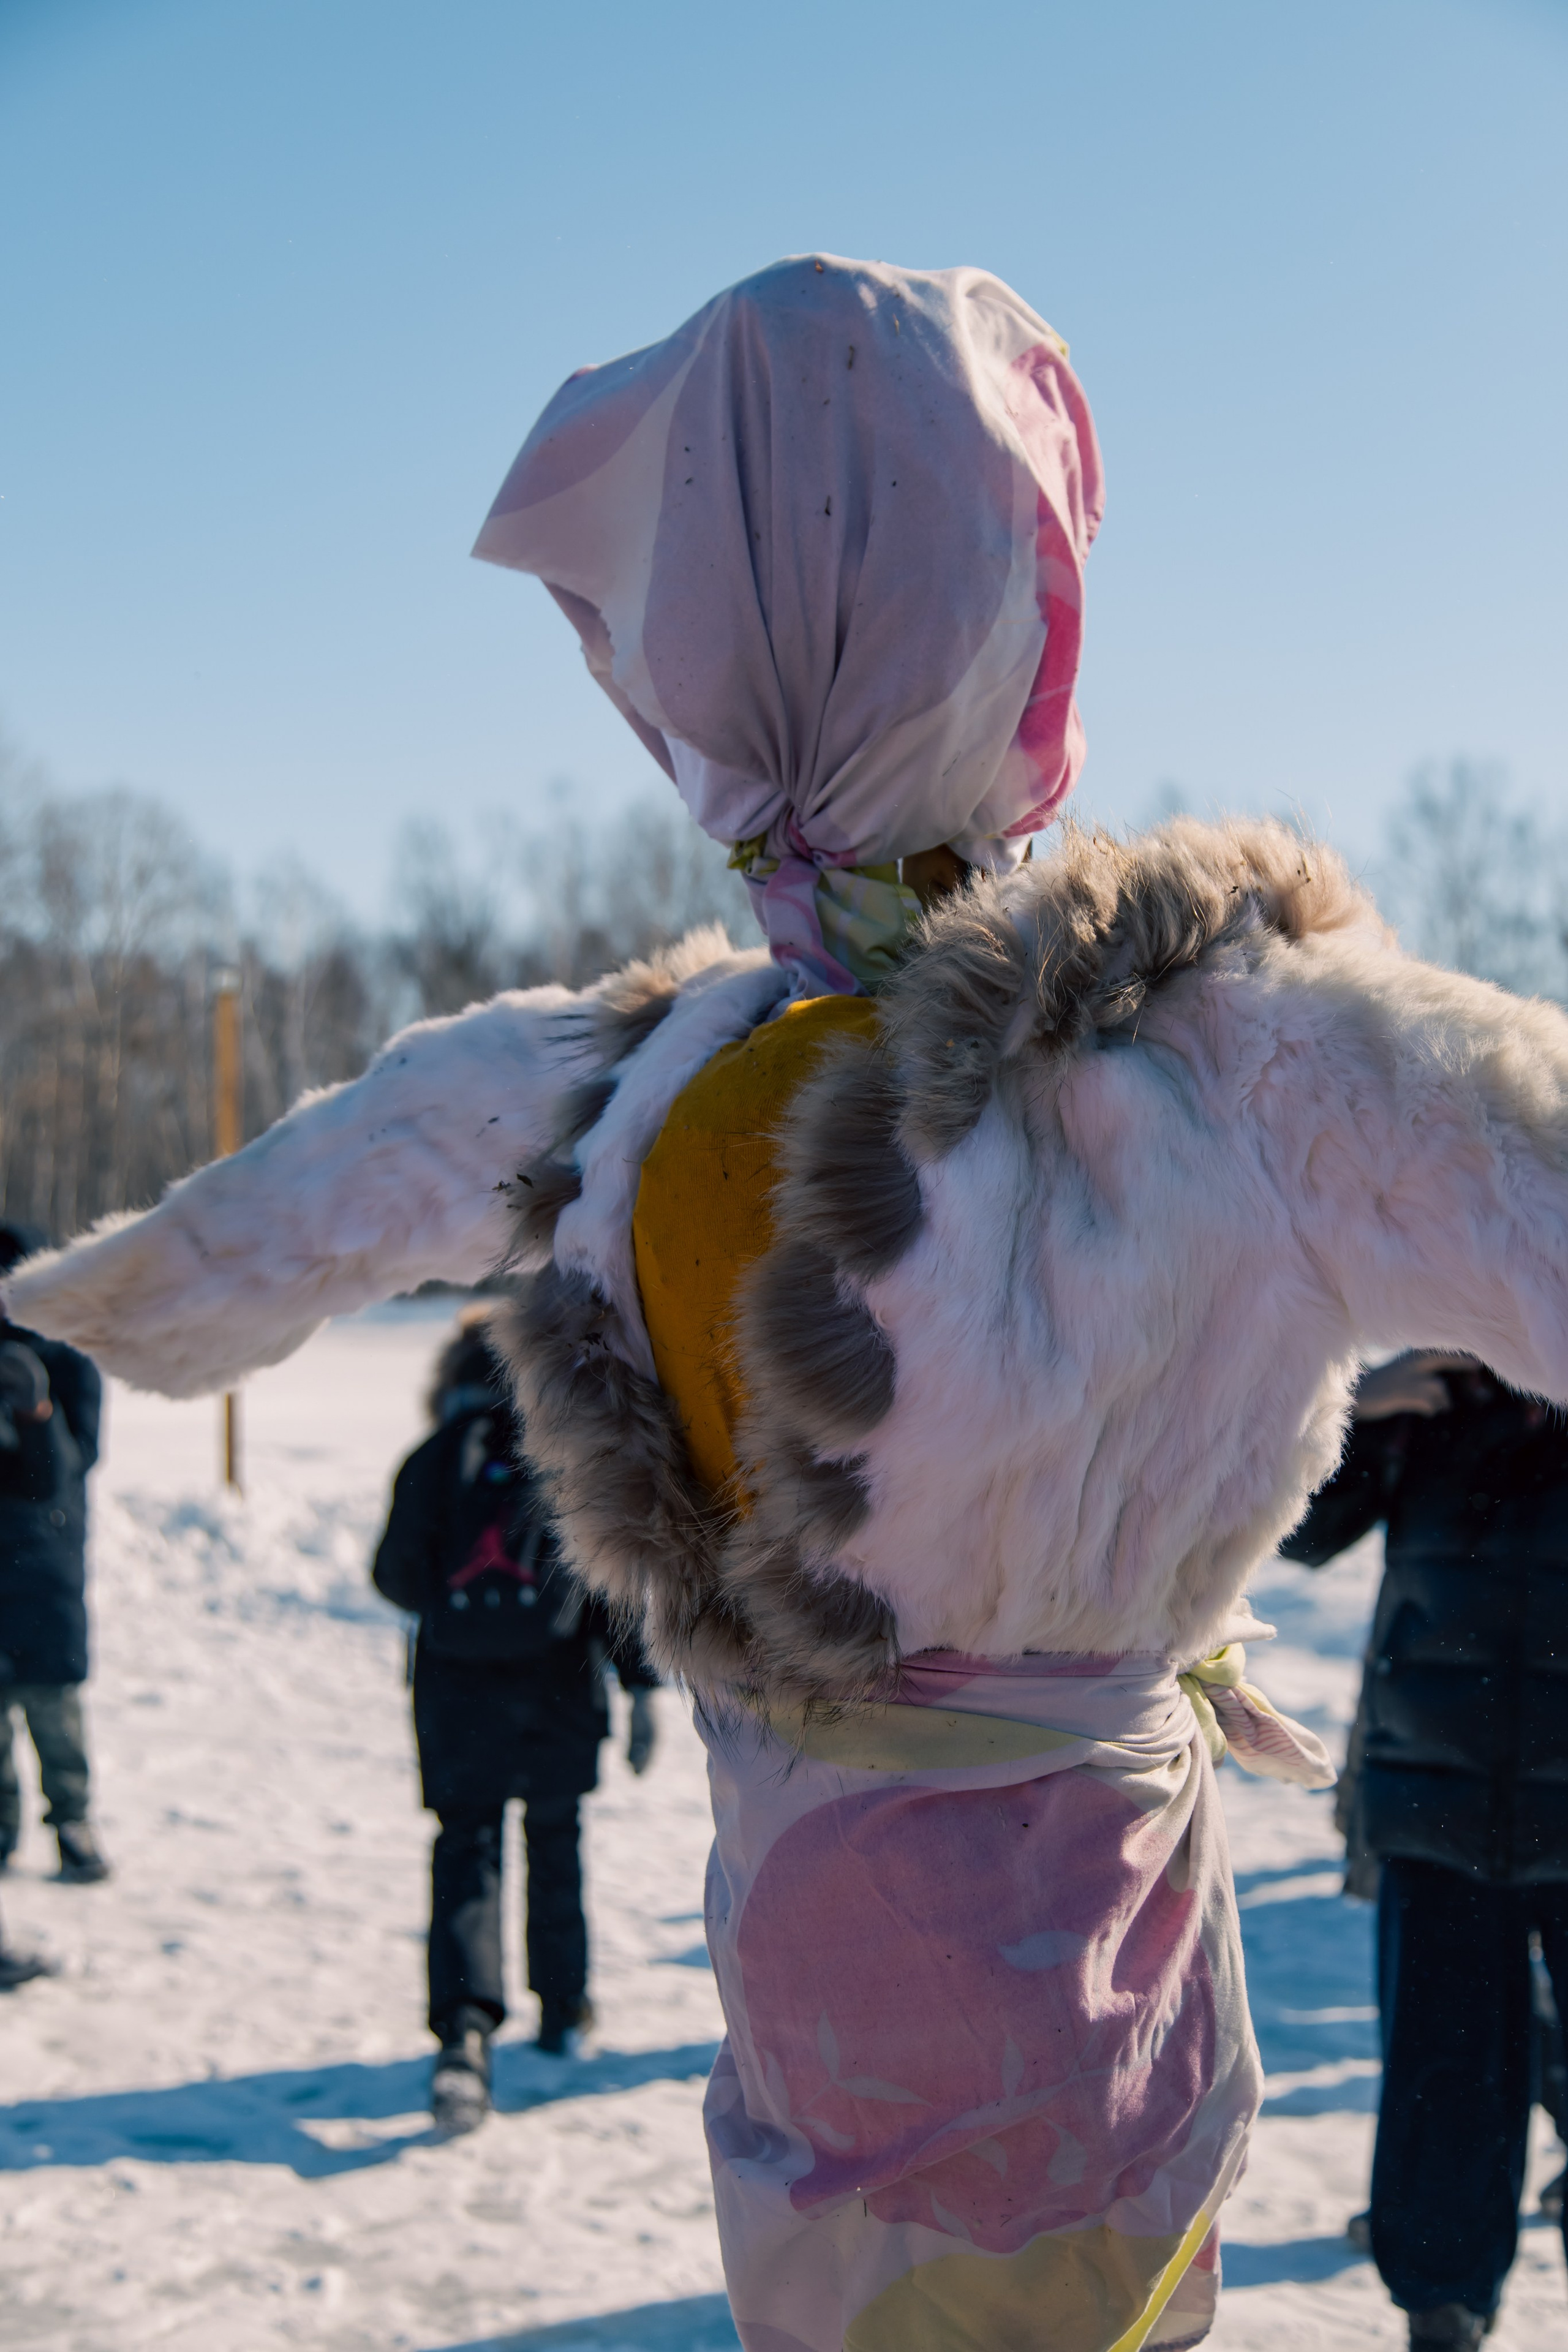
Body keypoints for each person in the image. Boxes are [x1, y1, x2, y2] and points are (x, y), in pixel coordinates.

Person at [1282, 1349, 1568, 2351]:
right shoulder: (1441, 1386)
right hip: (1437, 1809)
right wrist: (1347, 1407)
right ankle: (1441, 2317)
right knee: (1443, 2083)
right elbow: (1298, 1535)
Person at [372, 1308, 658, 2136]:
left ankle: (464, 2035)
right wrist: (640, 1688)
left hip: (456, 1697)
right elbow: (613, 1587)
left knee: (467, 1849)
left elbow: (396, 1578)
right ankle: (563, 2008)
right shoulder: (570, 1456)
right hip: (560, 1691)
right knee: (555, 1839)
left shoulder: (433, 1459)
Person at [0, 1221, 109, 1885]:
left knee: (54, 1707)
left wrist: (34, 1414)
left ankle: (73, 1821)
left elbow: (67, 1471)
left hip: (43, 1563)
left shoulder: (66, 1359)